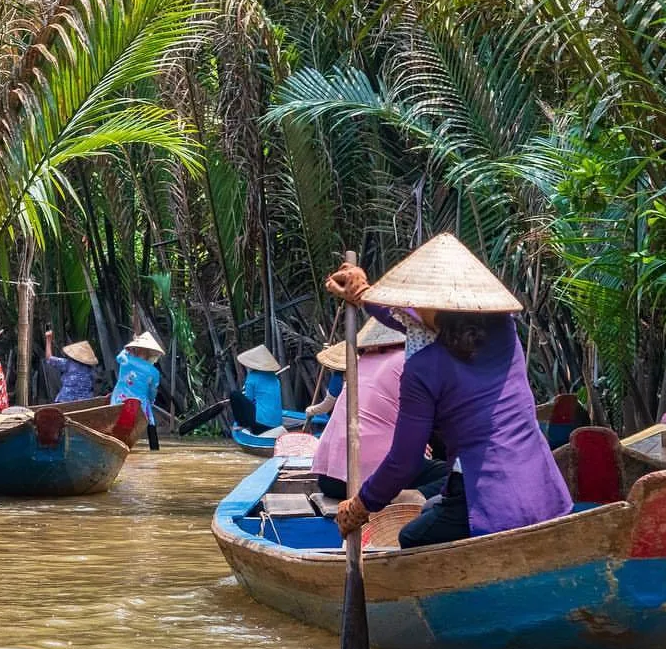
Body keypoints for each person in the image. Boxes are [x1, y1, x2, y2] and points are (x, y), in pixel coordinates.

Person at [327, 233, 573, 549]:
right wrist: (362, 294)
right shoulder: (503, 331)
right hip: (544, 491)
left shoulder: (423, 367)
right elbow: (416, 324)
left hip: (486, 501)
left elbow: (404, 461)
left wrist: (361, 505)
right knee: (431, 507)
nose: (407, 308)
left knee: (411, 537)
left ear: (427, 305)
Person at [309, 318, 450, 500]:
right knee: (461, 477)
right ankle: (410, 497)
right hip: (373, 480)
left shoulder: (362, 362)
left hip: (330, 480)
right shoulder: (410, 362)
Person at [112, 331, 164, 450]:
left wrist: (130, 348)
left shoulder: (125, 360)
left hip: (119, 400)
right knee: (151, 422)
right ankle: (154, 449)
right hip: (141, 405)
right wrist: (151, 402)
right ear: (150, 354)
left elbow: (119, 356)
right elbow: (152, 392)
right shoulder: (154, 372)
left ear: (136, 349)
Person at [234, 345, 284, 432]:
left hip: (260, 424)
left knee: (234, 395)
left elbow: (249, 399)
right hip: (277, 423)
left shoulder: (252, 377)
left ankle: (242, 425)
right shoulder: (273, 376)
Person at [44, 330, 99, 403]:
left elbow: (49, 358)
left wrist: (48, 340)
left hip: (65, 400)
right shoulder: (91, 369)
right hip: (85, 401)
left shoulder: (68, 364)